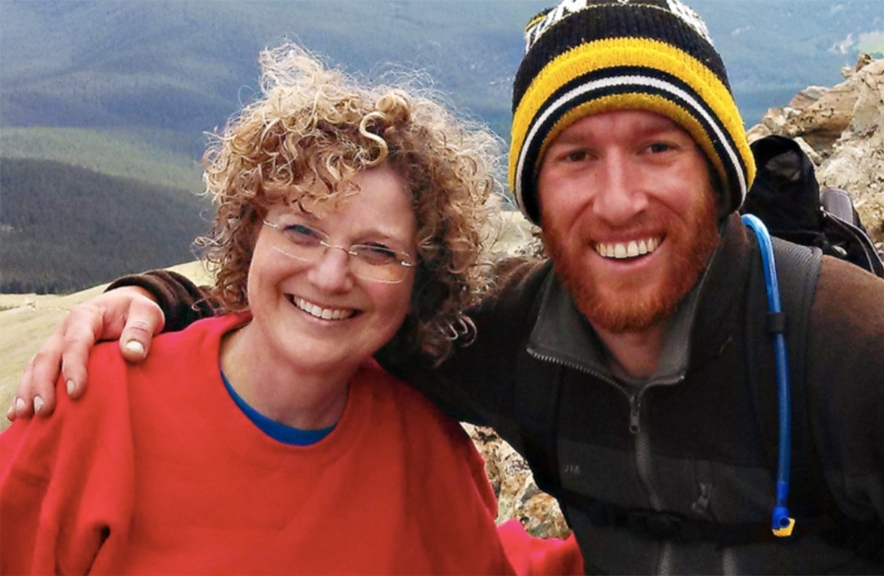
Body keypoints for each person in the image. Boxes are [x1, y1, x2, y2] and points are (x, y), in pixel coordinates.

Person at [10, 1, 884, 573]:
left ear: (719, 171)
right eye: (574, 156)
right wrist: (155, 297)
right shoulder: (499, 332)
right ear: (533, 194)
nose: (618, 199)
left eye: (659, 147)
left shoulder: (859, 352)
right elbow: (314, 308)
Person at [0, 43, 582, 574]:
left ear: (420, 283)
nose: (330, 276)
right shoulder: (92, 405)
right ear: (251, 233)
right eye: (302, 231)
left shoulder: (423, 449)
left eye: (378, 250)